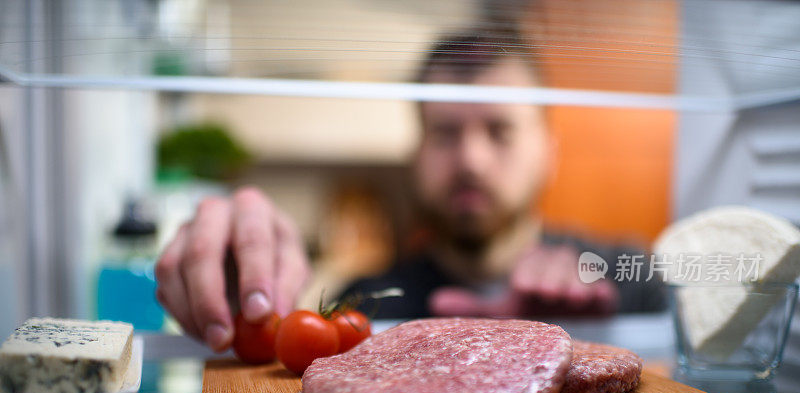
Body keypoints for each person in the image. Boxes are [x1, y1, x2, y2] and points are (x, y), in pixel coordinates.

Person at [155, 30, 664, 353]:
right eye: (445, 134)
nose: (471, 160)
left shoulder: (627, 276)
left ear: (549, 152)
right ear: (415, 153)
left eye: (500, 132)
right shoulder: (369, 303)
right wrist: (241, 289)